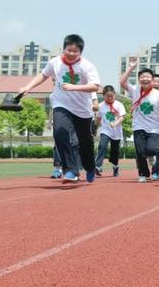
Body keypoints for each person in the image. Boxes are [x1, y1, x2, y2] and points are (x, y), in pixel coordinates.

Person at [19, 34, 101, 183]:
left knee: (85, 143)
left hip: (83, 110)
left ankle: (90, 167)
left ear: (80, 52)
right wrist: (28, 87)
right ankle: (70, 170)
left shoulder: (87, 66)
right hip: (61, 104)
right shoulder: (55, 62)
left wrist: (74, 87)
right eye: (68, 50)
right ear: (64, 49)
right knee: (59, 132)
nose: (71, 53)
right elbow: (43, 75)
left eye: (75, 51)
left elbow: (95, 86)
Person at [120, 60, 159, 183]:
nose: (145, 79)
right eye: (142, 77)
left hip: (154, 128)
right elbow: (122, 82)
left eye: (147, 77)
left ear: (152, 80)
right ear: (139, 80)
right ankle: (143, 173)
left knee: (151, 150)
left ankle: (151, 156)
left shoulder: (158, 94)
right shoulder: (135, 90)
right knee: (140, 152)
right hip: (138, 125)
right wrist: (131, 68)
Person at [95, 85, 126, 177]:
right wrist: (96, 128)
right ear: (103, 95)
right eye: (107, 96)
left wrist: (115, 123)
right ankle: (98, 166)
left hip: (116, 132)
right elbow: (98, 118)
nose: (109, 98)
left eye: (111, 96)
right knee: (102, 146)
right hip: (105, 130)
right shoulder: (100, 106)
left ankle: (115, 166)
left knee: (115, 152)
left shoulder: (119, 105)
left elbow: (122, 117)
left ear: (114, 95)